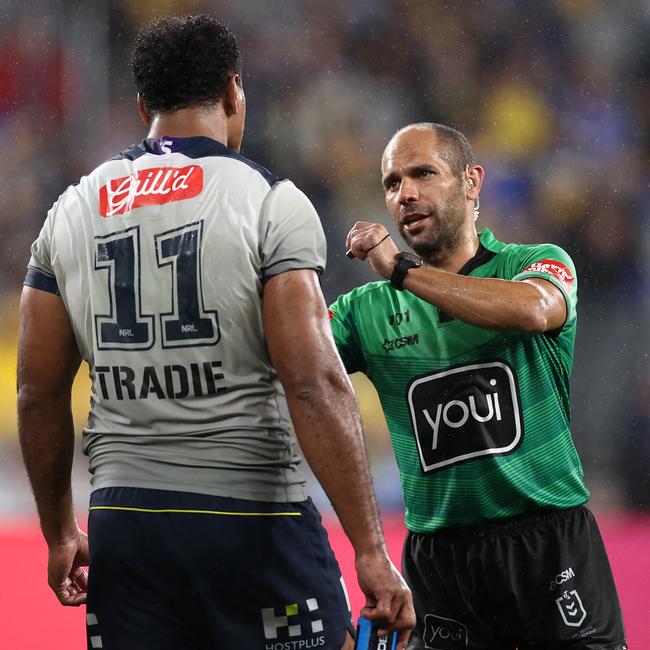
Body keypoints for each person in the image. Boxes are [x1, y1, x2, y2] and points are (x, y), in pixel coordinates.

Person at [17, 15, 414, 650]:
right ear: (234, 93)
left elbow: (36, 393)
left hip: (125, 524)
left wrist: (62, 532)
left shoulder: (70, 209)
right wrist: (370, 548)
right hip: (251, 521)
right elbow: (312, 383)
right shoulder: (269, 201)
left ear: (143, 105)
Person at [330, 122, 627, 649]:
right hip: (440, 560)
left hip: (547, 543)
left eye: (423, 173)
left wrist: (400, 270)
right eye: (392, 183)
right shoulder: (365, 312)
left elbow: (534, 310)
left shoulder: (536, 263)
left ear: (472, 181)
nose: (406, 193)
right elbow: (292, 359)